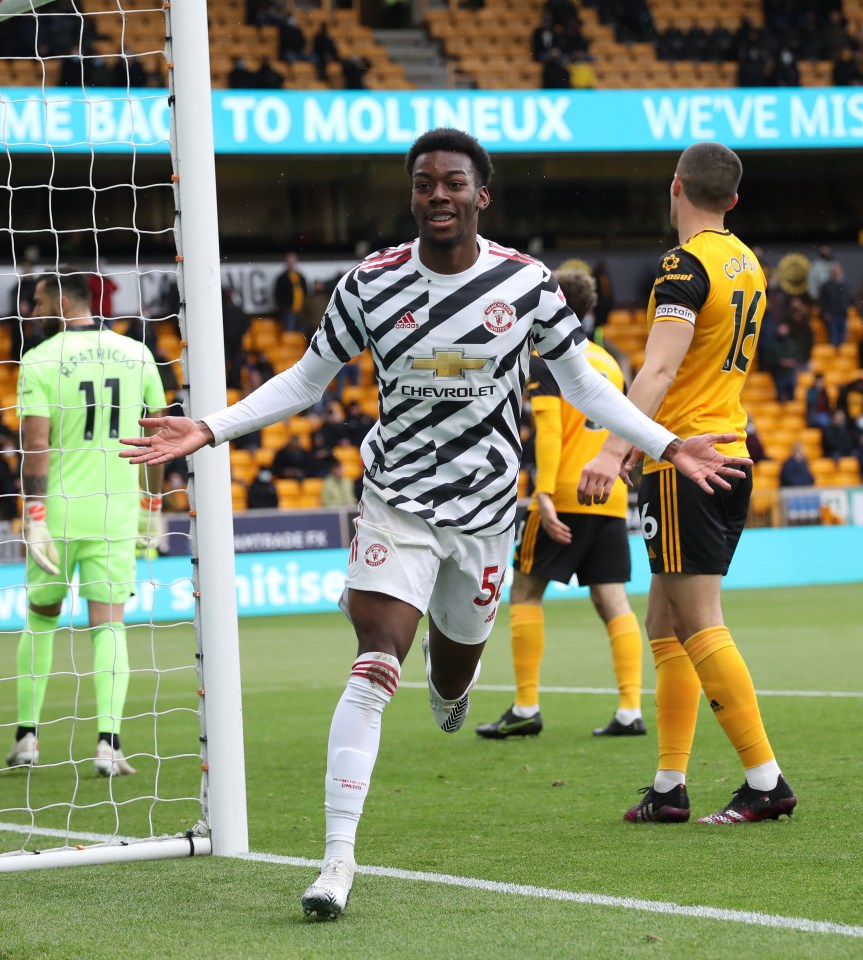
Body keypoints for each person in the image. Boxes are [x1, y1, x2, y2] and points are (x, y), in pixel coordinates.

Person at [120, 128, 752, 918]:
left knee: (452, 679)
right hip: (397, 503)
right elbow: (305, 380)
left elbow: (586, 387)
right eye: (425, 184)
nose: (438, 195)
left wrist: (661, 445)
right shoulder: (370, 283)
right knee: (373, 662)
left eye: (453, 182)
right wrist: (209, 428)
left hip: (486, 516)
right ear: (412, 195)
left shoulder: (525, 284)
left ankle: (449, 683)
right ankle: (336, 863)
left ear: (480, 195)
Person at [577, 142, 796, 826]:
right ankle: (669, 787)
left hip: (685, 460)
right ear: (731, 199)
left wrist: (613, 451)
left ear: (674, 187)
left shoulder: (683, 265)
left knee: (697, 623)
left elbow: (659, 369)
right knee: (664, 622)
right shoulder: (747, 262)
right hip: (728, 448)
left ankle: (764, 781)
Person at [477, 266, 647, 742]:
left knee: (526, 591)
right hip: (610, 493)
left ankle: (527, 706)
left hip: (566, 490)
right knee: (613, 599)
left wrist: (543, 495)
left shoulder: (548, 359)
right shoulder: (612, 362)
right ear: (589, 308)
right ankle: (631, 709)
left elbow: (549, 432)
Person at [9, 270, 166, 777]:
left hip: (55, 511)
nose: (30, 312)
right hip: (116, 510)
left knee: (40, 618)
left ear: (60, 299)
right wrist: (152, 502)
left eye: (35, 302)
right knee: (109, 625)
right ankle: (108, 744)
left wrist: (32, 514)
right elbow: (158, 431)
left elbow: (36, 443)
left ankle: (28, 738)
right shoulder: (137, 352)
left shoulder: (38, 359)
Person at [273, 252, 308, 333]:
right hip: (289, 312)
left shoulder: (301, 277)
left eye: (293, 262)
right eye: (289, 262)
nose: (291, 264)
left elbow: (305, 293)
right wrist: (285, 307)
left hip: (301, 311)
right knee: (290, 333)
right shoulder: (282, 279)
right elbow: (278, 295)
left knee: (303, 334)